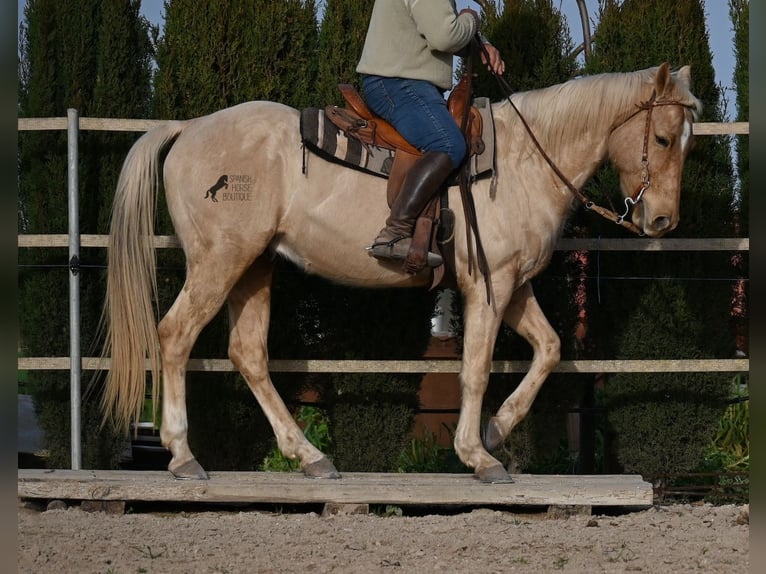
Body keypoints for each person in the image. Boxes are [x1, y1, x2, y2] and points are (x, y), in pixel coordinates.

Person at [357, 0, 505, 268]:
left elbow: (433, 29)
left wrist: (479, 44)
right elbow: (445, 36)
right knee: (449, 144)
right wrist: (472, 19)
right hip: (399, 83)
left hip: (403, 81)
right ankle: (394, 233)